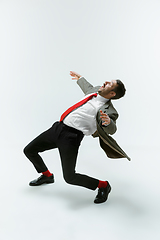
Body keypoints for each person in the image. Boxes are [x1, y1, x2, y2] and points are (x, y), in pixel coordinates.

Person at [23, 71, 130, 204]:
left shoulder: (109, 110)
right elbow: (87, 86)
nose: (106, 82)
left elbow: (112, 129)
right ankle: (47, 176)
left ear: (112, 93)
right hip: (58, 128)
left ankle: (103, 185)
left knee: (70, 177)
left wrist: (108, 122)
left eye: (110, 83)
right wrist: (80, 79)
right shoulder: (95, 90)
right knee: (29, 150)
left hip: (71, 138)